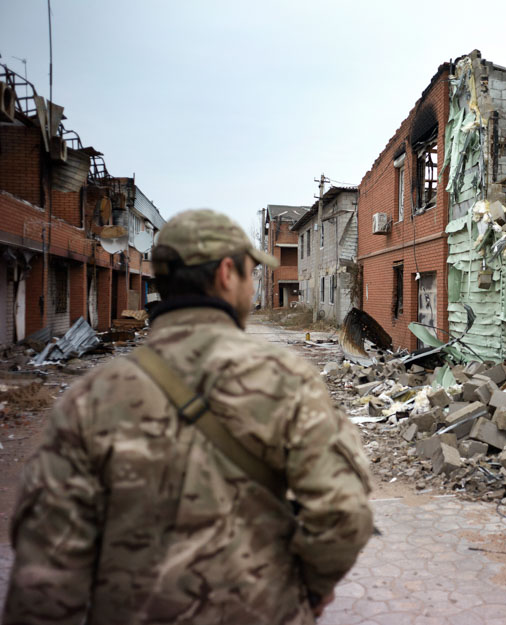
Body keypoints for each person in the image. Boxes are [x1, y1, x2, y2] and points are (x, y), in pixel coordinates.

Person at [4, 209, 373, 624]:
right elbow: (344, 512)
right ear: (227, 274)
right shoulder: (286, 381)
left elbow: (46, 563)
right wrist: (305, 591)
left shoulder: (91, 397)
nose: (253, 288)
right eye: (251, 274)